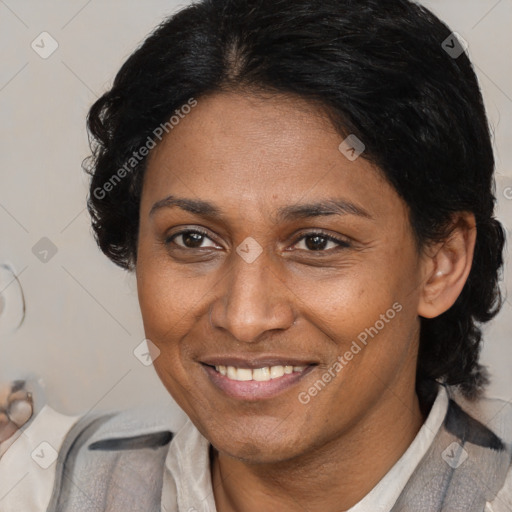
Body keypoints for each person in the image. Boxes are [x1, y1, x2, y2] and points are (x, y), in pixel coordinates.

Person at [4, 0, 512, 510]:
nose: (245, 318)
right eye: (193, 239)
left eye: (317, 242)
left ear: (440, 265)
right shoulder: (31, 486)